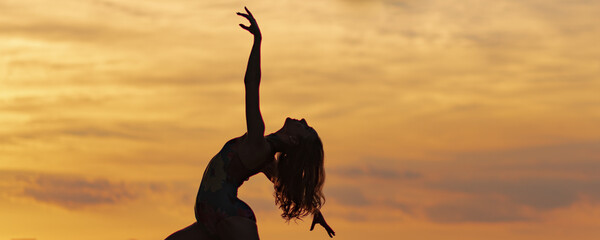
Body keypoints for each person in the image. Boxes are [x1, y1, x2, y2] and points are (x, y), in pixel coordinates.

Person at [165, 7, 335, 240]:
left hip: (228, 215)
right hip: (211, 217)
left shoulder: (258, 142)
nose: (303, 120)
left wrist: (257, 41)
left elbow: (251, 83)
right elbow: (291, 186)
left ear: (294, 140)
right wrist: (315, 211)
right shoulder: (266, 157)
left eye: (305, 128)